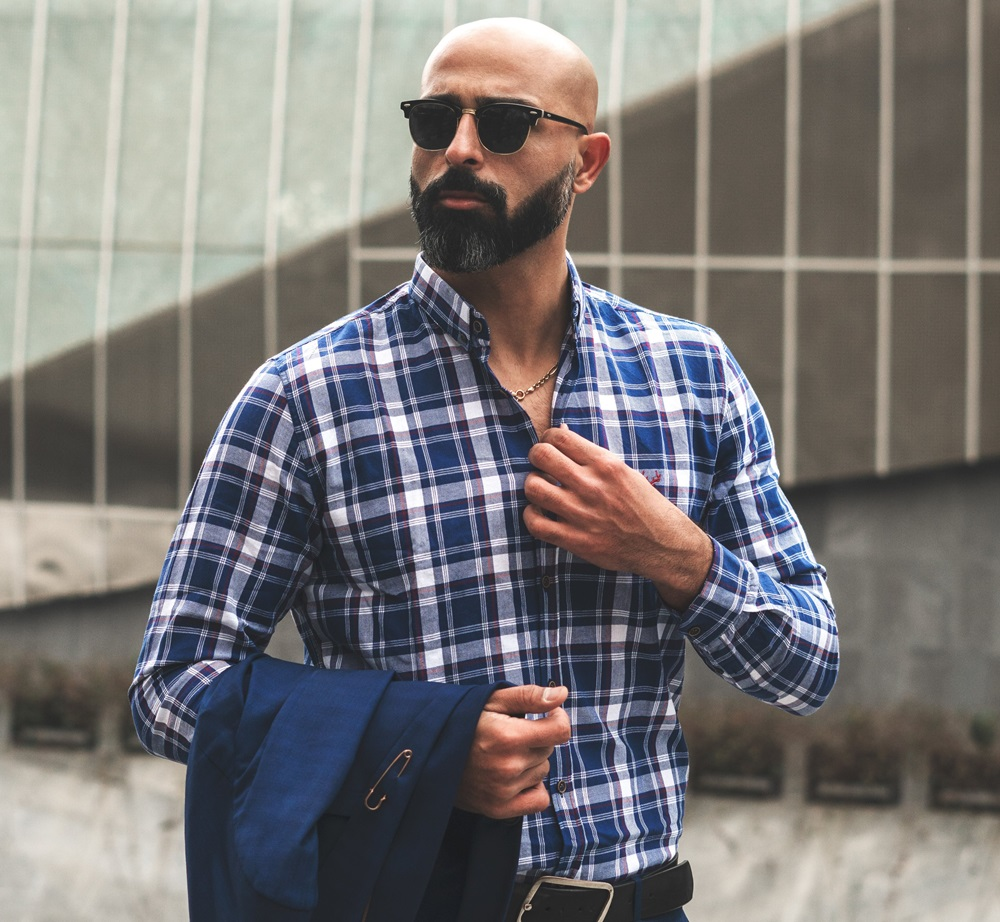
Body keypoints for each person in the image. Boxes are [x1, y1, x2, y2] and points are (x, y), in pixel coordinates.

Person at [131, 16, 838, 922]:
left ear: (586, 163)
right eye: (434, 121)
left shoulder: (691, 375)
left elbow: (808, 666)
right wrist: (416, 750)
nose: (458, 150)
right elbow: (172, 684)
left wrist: (678, 557)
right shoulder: (304, 397)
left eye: (503, 124)